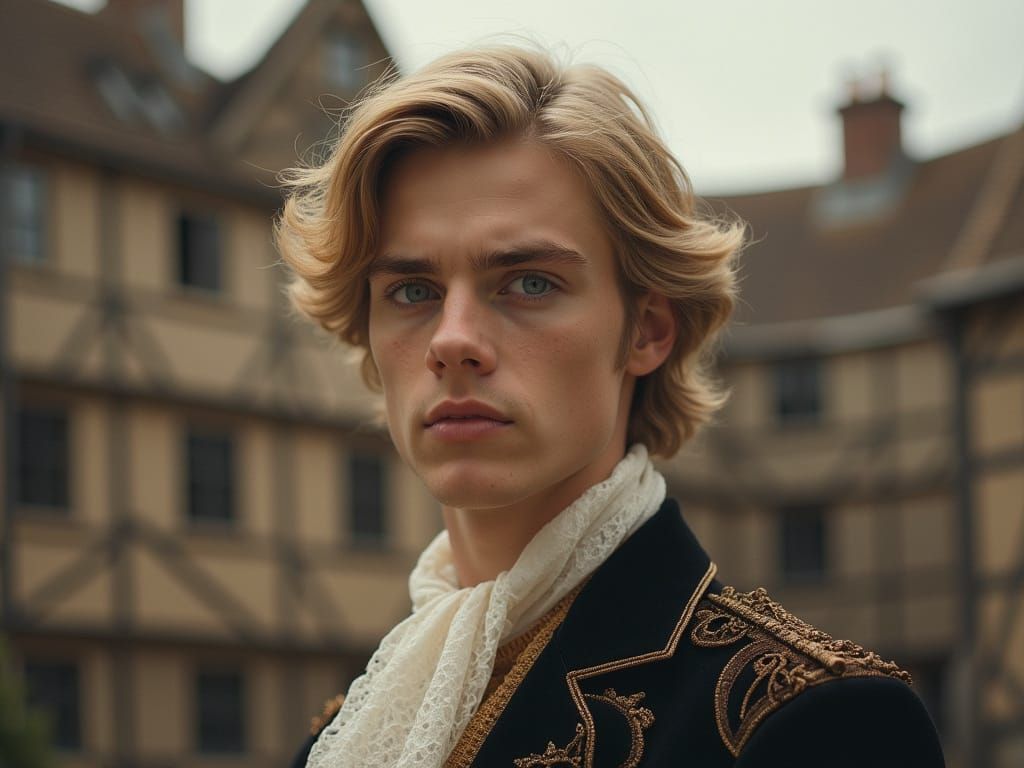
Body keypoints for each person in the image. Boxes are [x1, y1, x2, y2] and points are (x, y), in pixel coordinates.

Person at [276, 45, 945, 768]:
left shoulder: (815, 726)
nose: (454, 340)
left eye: (528, 282)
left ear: (647, 331)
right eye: (412, 291)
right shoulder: (348, 734)